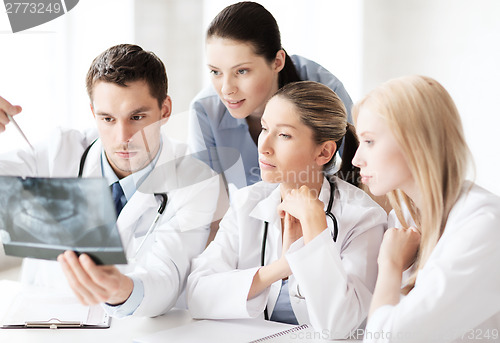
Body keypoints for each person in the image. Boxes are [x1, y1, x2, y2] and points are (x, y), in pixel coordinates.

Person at [0, 44, 220, 318]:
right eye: (107, 119)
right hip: (45, 324)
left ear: (165, 110)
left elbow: (169, 274)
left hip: (138, 331)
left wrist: (121, 291)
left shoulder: (194, 178)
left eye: (137, 117)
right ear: (93, 113)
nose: (122, 137)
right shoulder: (59, 152)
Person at [187, 81, 386, 339]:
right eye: (265, 129)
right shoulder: (246, 202)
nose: (264, 146)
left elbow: (340, 324)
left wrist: (316, 231)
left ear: (324, 152)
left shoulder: (364, 218)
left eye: (283, 135)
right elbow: (198, 295)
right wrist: (282, 266)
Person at [352, 75, 500, 342]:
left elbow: (387, 338)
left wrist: (390, 264)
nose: (356, 158)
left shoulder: (484, 224)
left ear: (415, 141)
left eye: (370, 141)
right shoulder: (403, 217)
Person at [188, 1, 353, 193]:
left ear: (277, 62)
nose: (226, 89)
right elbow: (206, 204)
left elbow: (360, 167)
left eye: (241, 71)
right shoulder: (204, 111)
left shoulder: (325, 89)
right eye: (216, 72)